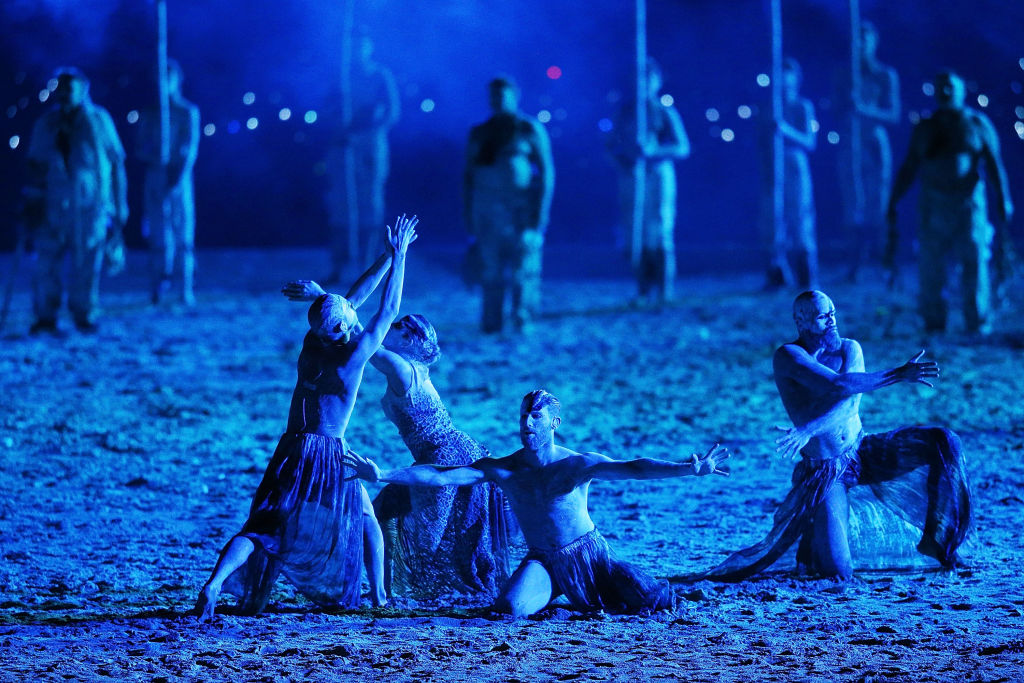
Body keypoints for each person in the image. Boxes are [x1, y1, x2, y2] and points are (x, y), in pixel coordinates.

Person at [194, 215, 418, 621]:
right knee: (366, 519)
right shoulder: (353, 356)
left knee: (262, 526)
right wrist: (400, 256)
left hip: (290, 448)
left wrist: (384, 257)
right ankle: (380, 596)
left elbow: (348, 304)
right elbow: (387, 308)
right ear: (345, 327)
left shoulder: (312, 342)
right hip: (327, 451)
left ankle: (214, 582)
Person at [344, 390, 730, 617]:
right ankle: (553, 592)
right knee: (509, 610)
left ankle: (580, 593)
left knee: (650, 601)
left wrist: (688, 469)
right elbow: (441, 475)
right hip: (543, 560)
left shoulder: (577, 464)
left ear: (553, 423)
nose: (527, 422)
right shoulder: (506, 469)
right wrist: (383, 474)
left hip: (589, 556)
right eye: (523, 415)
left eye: (536, 415)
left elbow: (634, 468)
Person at [694, 291, 971, 582]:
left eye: (833, 313)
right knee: (837, 572)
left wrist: (809, 429)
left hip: (861, 449)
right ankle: (816, 535)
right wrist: (898, 374)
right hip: (826, 469)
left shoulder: (850, 348)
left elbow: (849, 403)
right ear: (801, 321)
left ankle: (936, 539)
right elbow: (838, 385)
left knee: (944, 441)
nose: (832, 320)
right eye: (823, 316)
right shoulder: (788, 356)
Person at [280, 281, 515, 599]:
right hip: (443, 452)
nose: (393, 324)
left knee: (422, 537)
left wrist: (323, 297)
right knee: (384, 514)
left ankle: (393, 593)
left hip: (445, 455)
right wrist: (327, 301)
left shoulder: (402, 369)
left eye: (401, 325)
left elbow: (358, 331)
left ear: (411, 339)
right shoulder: (408, 367)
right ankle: (383, 592)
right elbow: (351, 325)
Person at [887, 70, 1013, 335]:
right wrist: (894, 200)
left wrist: (1004, 199)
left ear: (961, 91)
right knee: (931, 265)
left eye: (950, 87)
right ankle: (934, 319)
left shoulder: (977, 124)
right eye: (940, 88)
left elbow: (994, 164)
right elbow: (910, 166)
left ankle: (977, 320)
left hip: (968, 206)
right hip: (933, 206)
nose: (945, 92)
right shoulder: (925, 127)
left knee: (974, 262)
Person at [23, 67, 128, 333]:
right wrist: (31, 201)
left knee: (87, 261)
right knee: (47, 261)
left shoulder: (98, 121)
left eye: (69, 89)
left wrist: (119, 204)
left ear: (83, 90)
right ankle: (46, 315)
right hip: (53, 204)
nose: (64, 94)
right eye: (60, 88)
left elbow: (116, 163)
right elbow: (34, 164)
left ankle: (84, 312)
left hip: (90, 205)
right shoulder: (46, 123)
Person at [464, 76, 555, 333]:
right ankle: (491, 322)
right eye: (493, 96)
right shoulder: (480, 133)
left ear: (514, 97)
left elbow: (547, 172)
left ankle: (521, 318)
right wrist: (469, 212)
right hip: (487, 211)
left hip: (520, 212)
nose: (496, 101)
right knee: (490, 269)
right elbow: (468, 175)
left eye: (501, 95)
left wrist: (540, 214)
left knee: (523, 269)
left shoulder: (529, 129)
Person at [607, 58, 690, 304]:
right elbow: (610, 146)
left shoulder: (664, 111)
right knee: (636, 230)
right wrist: (624, 163)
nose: (642, 83)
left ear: (657, 82)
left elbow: (682, 147)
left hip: (658, 176)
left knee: (659, 229)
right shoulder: (625, 112)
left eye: (648, 78)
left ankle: (665, 289)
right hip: (633, 177)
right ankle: (643, 288)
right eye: (638, 78)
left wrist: (654, 151)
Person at [323, 33, 400, 282]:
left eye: (361, 45)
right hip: (343, 148)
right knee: (340, 205)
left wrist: (365, 130)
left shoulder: (380, 76)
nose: (357, 50)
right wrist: (338, 119)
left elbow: (391, 112)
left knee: (369, 205)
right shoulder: (341, 75)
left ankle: (367, 265)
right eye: (353, 45)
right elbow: (326, 108)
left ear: (369, 47)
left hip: (369, 149)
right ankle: (339, 264)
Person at [836, 21, 900, 281]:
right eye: (857, 40)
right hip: (850, 142)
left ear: (874, 43)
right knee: (853, 204)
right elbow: (835, 109)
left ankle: (885, 262)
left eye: (865, 40)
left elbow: (893, 114)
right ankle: (854, 265)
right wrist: (847, 102)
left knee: (879, 204)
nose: (861, 45)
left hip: (874, 143)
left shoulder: (885, 75)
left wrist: (865, 108)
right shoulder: (843, 74)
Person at [136, 59, 201, 305]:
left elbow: (190, 148)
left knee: (183, 231)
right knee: (158, 231)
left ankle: (186, 287)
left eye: (167, 78)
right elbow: (140, 146)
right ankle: (158, 284)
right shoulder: (150, 113)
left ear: (177, 81)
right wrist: (154, 153)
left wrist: (177, 174)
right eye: (159, 79)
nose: (162, 84)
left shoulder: (187, 112)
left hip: (179, 178)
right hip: (155, 176)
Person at [765, 58, 818, 290]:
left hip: (795, 164)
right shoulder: (770, 107)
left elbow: (810, 141)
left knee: (800, 217)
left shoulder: (802, 106)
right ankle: (778, 274)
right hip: (774, 164)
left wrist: (785, 130)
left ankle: (806, 277)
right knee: (774, 220)